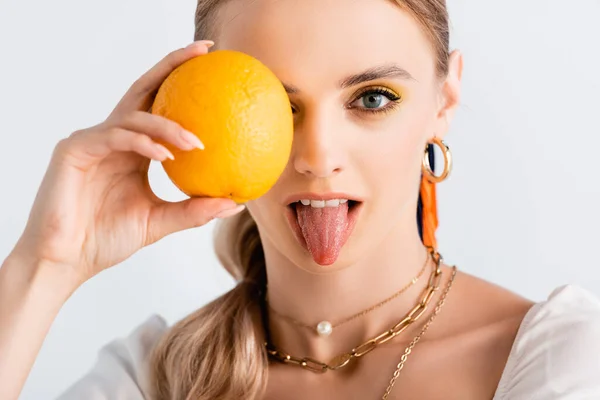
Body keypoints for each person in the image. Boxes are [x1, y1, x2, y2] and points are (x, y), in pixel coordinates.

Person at [1, 0, 600, 399]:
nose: (317, 156)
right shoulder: (155, 377)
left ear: (444, 101)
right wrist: (46, 264)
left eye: (371, 98)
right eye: (277, 108)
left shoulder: (557, 358)